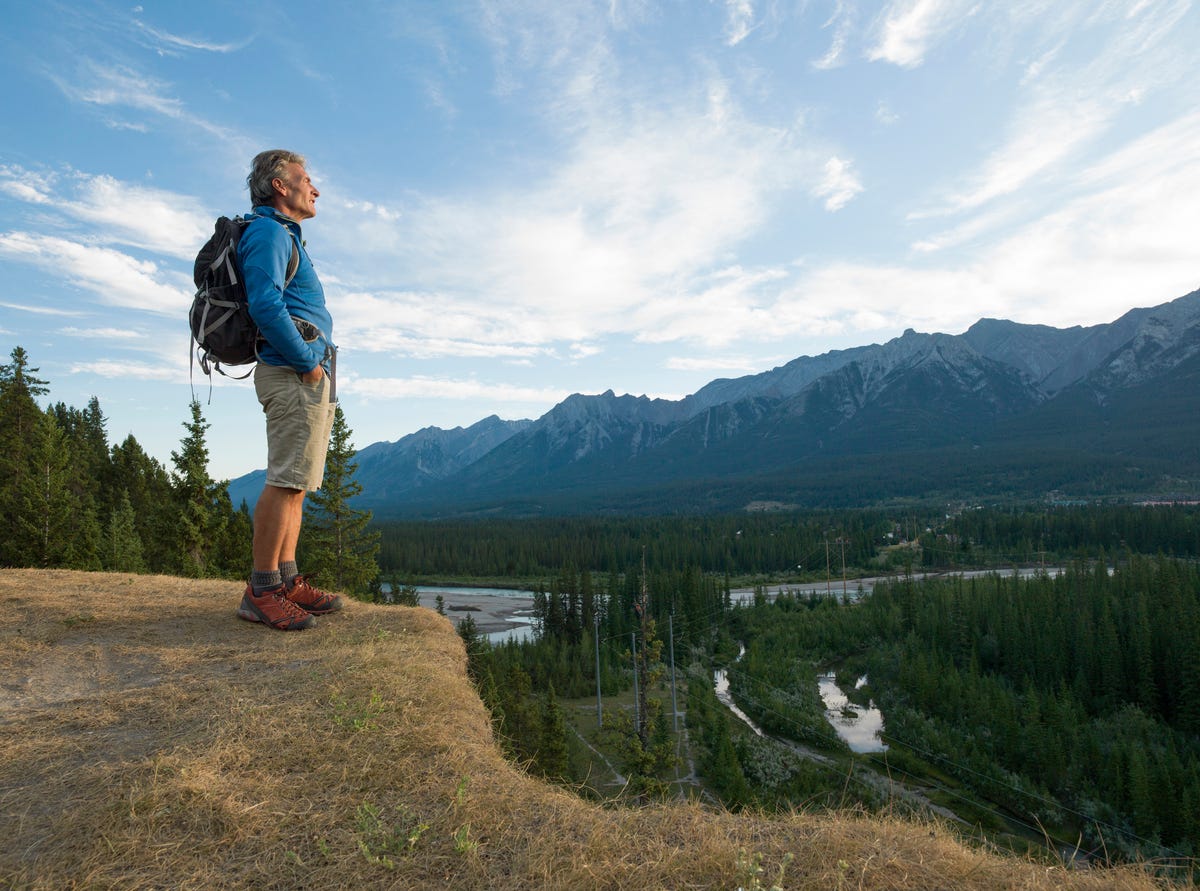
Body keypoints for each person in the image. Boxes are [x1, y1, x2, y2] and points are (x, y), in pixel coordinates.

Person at [234, 149, 342, 631]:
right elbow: (264, 303)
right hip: (293, 371)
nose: (313, 188)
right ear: (280, 186)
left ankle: (287, 579)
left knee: (296, 483)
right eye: (305, 178)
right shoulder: (268, 232)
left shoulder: (284, 235)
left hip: (305, 373)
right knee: (284, 480)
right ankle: (262, 590)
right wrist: (307, 364)